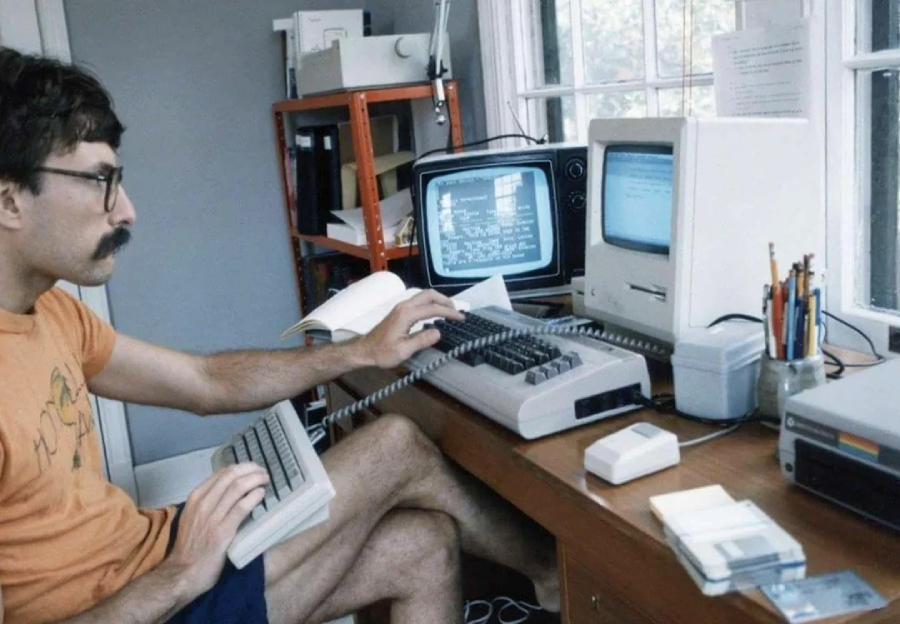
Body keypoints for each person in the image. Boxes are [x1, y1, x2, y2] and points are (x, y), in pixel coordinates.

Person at [0, 48, 559, 624]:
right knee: (394, 445)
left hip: (153, 558)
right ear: (9, 200)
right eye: (100, 180)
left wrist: (360, 351)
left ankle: (553, 578)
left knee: (423, 544)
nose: (127, 211)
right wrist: (178, 577)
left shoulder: (54, 313)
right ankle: (557, 577)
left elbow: (205, 381)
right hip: (155, 599)